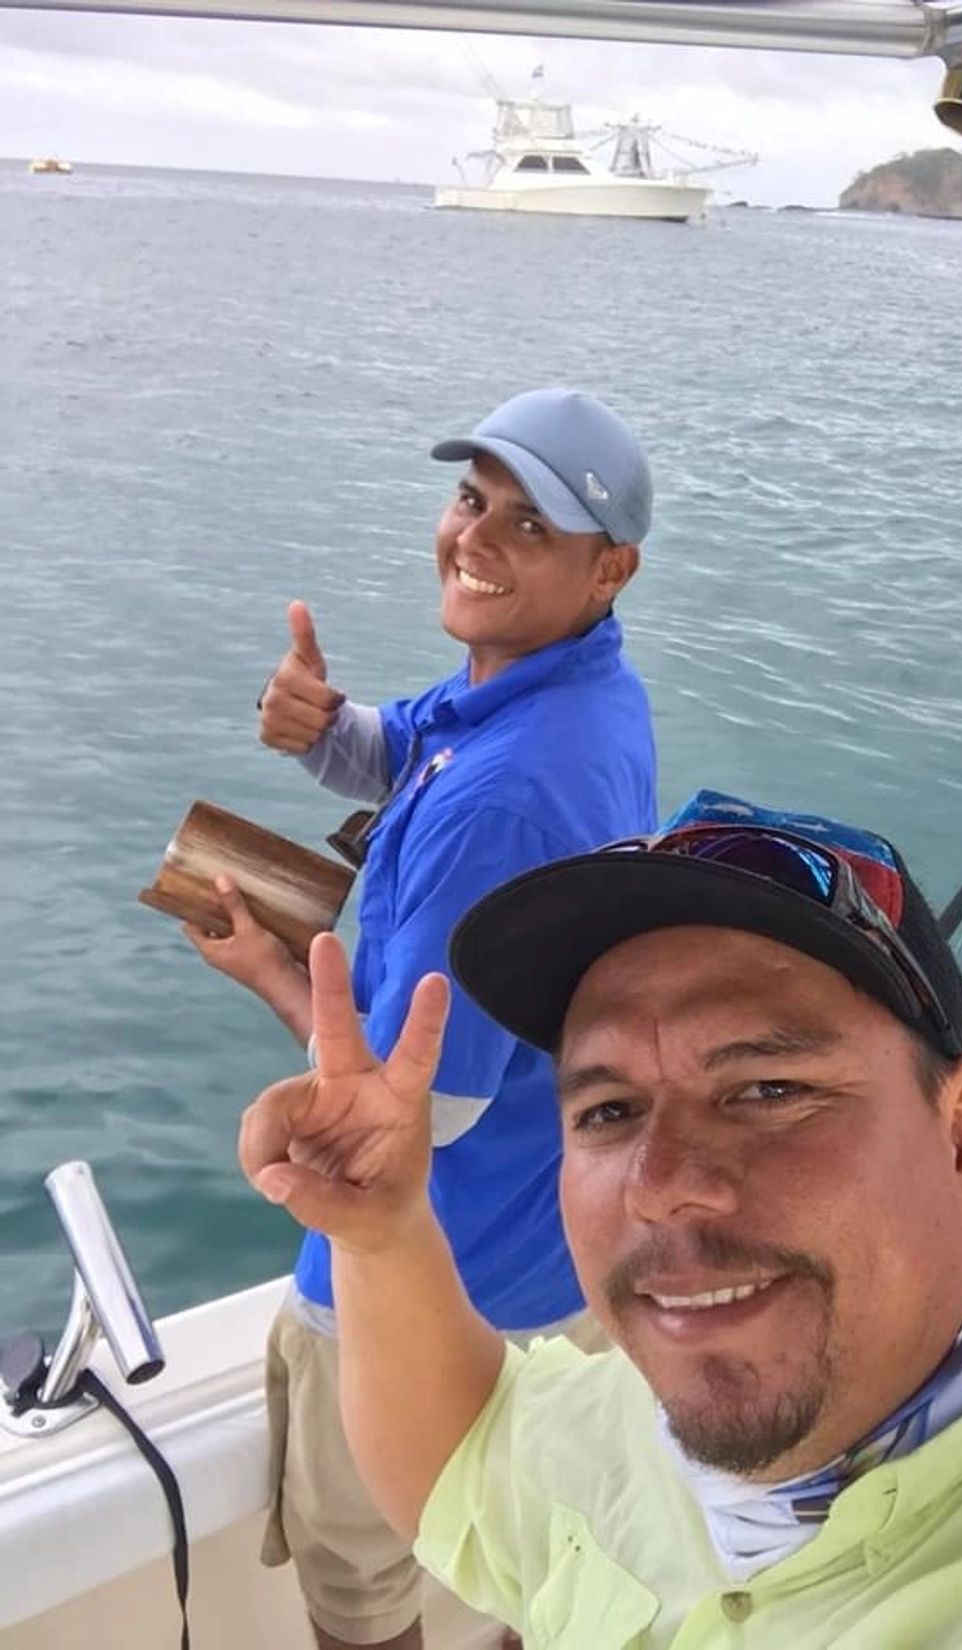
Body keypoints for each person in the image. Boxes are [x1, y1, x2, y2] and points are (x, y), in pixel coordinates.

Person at [237, 791, 962, 1648]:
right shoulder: (635, 1421)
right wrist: (382, 1230)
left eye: (766, 1088)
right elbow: (462, 1466)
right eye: (610, 1111)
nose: (662, 1183)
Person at [187, 388, 658, 1650]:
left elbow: (412, 1114)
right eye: (472, 499)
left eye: (532, 525)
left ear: (610, 568)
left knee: (361, 1590)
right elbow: (413, 748)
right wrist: (324, 733)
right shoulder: (580, 700)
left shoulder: (504, 802)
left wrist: (271, 975)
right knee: (533, 1567)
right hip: (548, 1249)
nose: (478, 539)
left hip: (432, 1279)